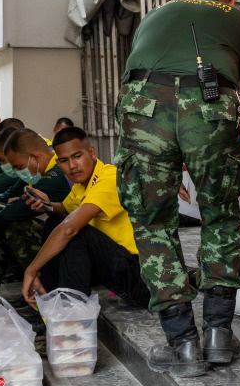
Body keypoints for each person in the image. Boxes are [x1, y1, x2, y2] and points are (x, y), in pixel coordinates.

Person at [116, 0, 240, 377]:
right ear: (229, 2)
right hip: (209, 110)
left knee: (153, 224)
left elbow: (134, 74)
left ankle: (182, 345)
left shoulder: (154, 16)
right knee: (221, 217)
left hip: (143, 108)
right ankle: (218, 336)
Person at [20, 128, 149, 307]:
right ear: (58, 162)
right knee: (54, 221)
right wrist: (48, 205)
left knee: (74, 232)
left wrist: (31, 270)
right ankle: (50, 305)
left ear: (92, 152)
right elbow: (65, 208)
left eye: (77, 156)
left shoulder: (110, 178)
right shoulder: (81, 186)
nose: (72, 165)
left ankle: (73, 316)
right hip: (118, 270)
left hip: (142, 279)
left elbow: (69, 228)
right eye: (64, 160)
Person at [0, 129, 72, 301]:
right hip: (59, 239)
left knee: (14, 225)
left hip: (74, 246)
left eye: (18, 167)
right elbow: (4, 198)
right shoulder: (35, 172)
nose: (17, 171)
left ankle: (44, 295)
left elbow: (11, 212)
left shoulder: (56, 176)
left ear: (35, 157)